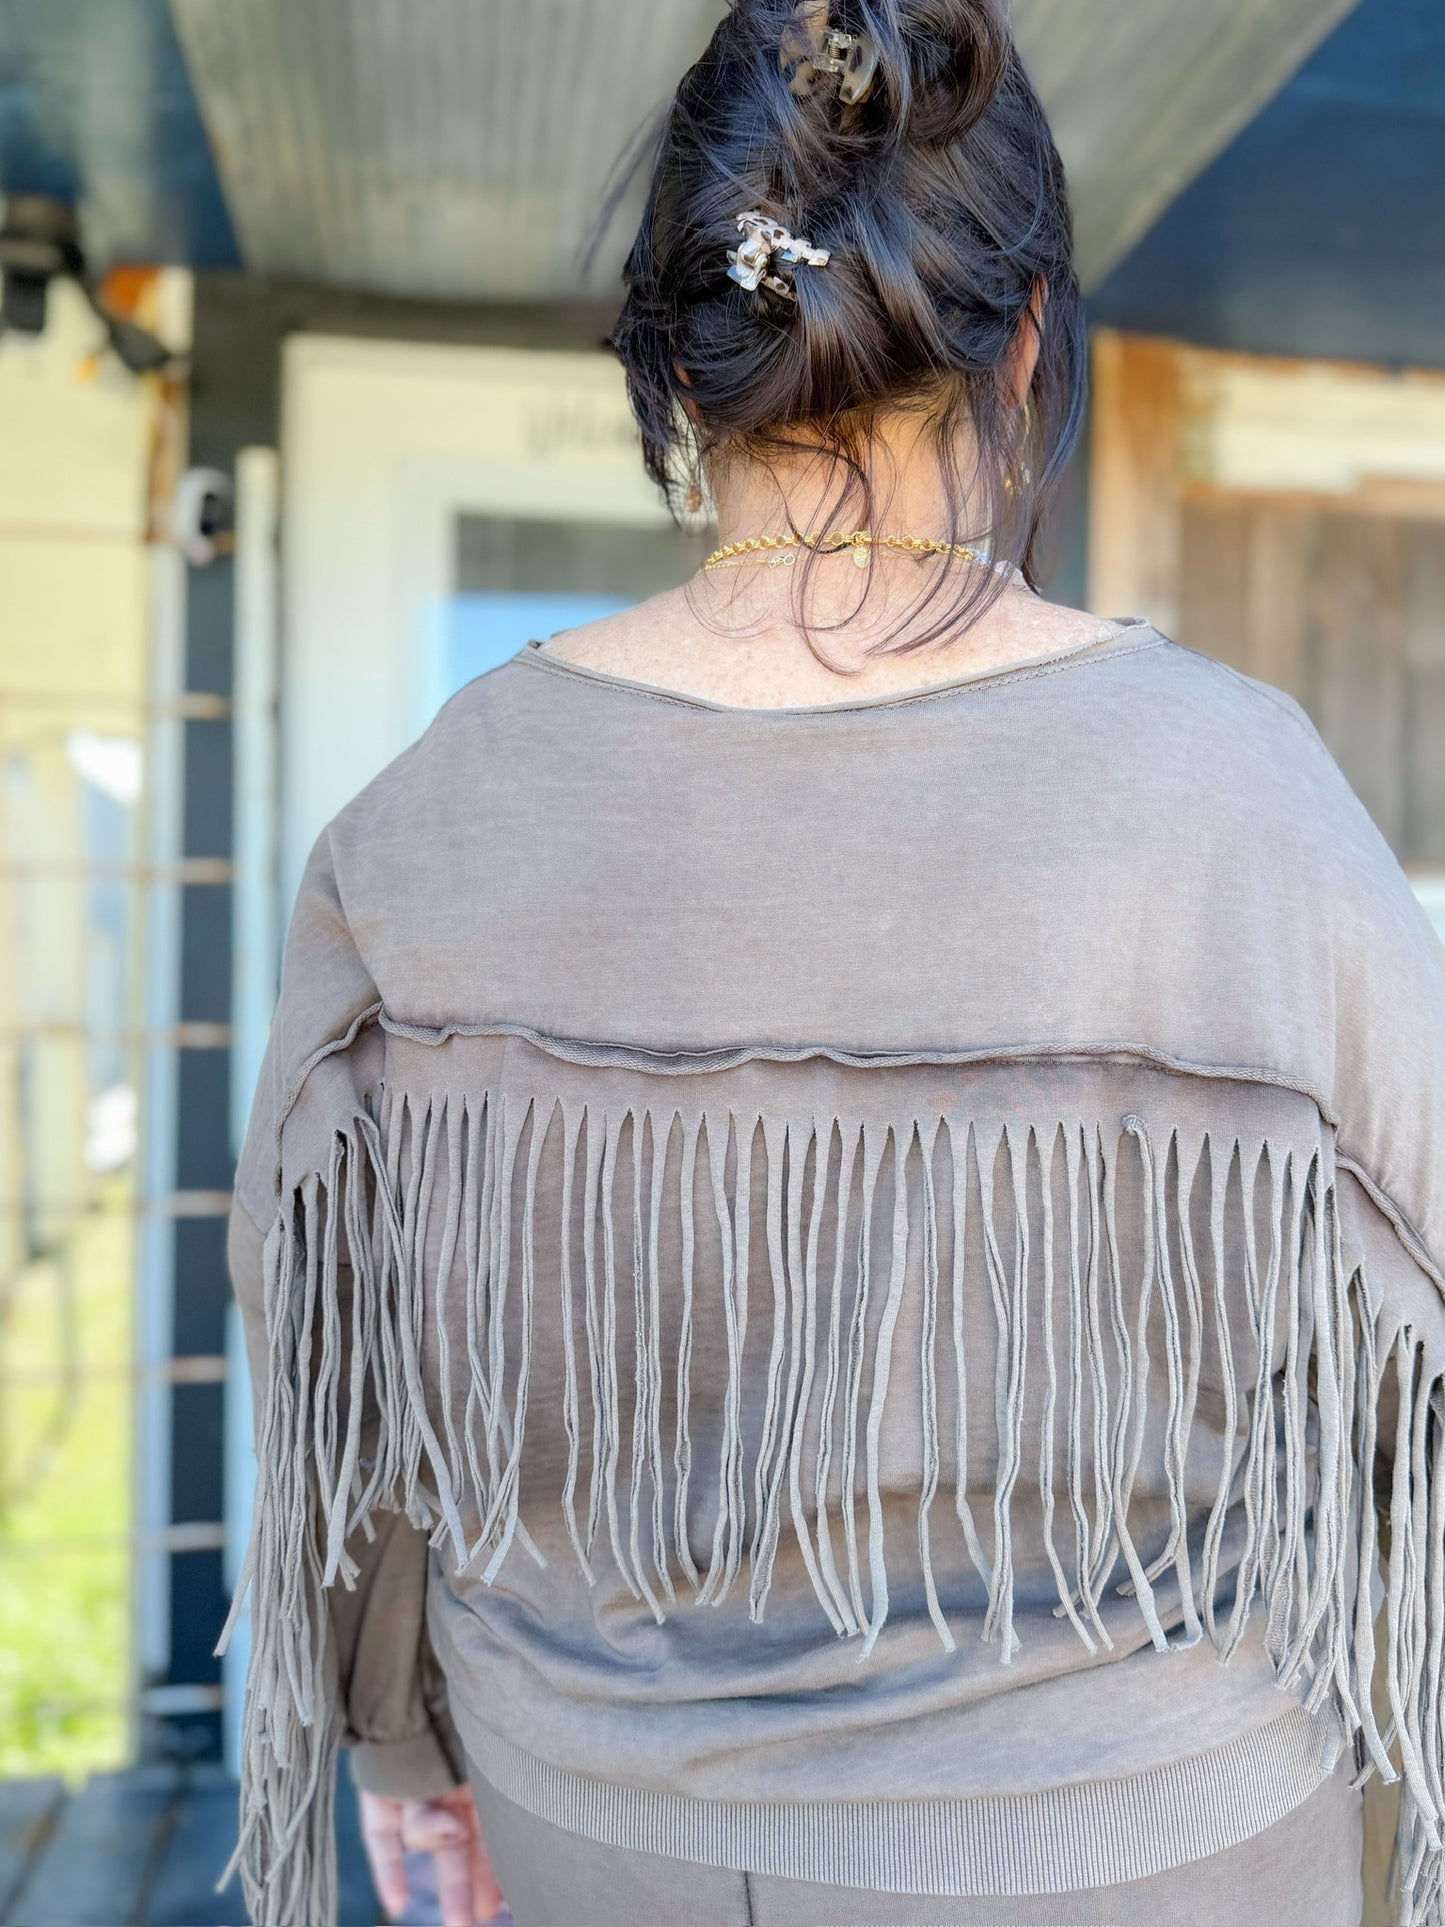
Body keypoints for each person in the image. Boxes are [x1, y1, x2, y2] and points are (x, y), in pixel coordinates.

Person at [222, 2, 1445, 1923]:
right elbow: (1414, 1356)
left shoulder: (432, 815)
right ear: (1030, 342)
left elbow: (343, 1382)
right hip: (1147, 1844)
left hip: (598, 1826)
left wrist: (393, 1741)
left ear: (680, 365)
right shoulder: (1238, 800)